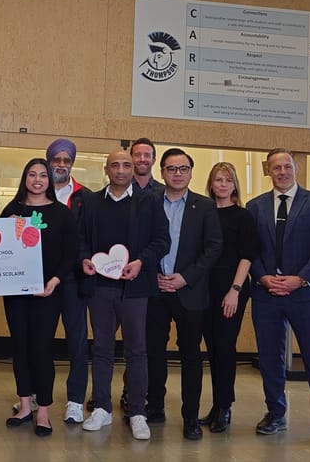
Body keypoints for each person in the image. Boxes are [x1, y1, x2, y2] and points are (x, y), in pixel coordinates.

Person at [246, 148, 310, 452]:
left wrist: (298, 280)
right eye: (276, 168)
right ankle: (276, 413)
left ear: (295, 168)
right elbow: (251, 250)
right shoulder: (255, 206)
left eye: (287, 166)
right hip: (266, 294)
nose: (283, 172)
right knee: (270, 358)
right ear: (268, 171)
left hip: (305, 295)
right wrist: (262, 277)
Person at [79, 150, 170, 440]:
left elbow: (162, 240)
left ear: (135, 170)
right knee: (102, 349)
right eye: (115, 165)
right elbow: (80, 238)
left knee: (137, 351)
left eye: (126, 165)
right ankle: (102, 408)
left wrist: (141, 262)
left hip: (135, 288)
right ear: (106, 169)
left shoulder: (150, 201)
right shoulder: (91, 202)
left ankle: (138, 412)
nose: (120, 169)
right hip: (100, 289)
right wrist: (84, 258)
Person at [145, 148, 222, 440]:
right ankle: (154, 407)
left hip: (189, 292)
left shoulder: (205, 206)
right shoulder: (148, 201)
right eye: (171, 168)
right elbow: (139, 240)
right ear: (162, 172)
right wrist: (152, 273)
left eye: (183, 168)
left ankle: (190, 417)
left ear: (191, 172)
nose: (177, 174)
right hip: (154, 289)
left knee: (191, 356)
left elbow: (213, 247)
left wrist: (184, 278)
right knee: (153, 351)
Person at [1, 158, 77, 437]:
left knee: (42, 349)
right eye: (31, 174)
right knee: (19, 347)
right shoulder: (12, 210)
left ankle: (43, 410)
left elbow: (71, 253)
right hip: (15, 292)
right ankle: (24, 406)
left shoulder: (61, 213)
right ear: (24, 178)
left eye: (42, 175)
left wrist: (54, 282)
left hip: (48, 292)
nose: (37, 179)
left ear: (49, 180)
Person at [199, 162, 257, 433]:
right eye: (217, 179)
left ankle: (225, 407)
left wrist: (234, 290)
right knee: (212, 349)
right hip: (204, 286)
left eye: (227, 180)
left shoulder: (242, 216)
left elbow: (247, 255)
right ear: (211, 184)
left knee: (225, 347)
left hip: (230, 286)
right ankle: (217, 404)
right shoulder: (203, 212)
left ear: (235, 185)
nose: (222, 184)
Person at [44, 138, 91, 424]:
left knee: (77, 342)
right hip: (42, 282)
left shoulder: (85, 197)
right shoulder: (36, 192)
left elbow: (88, 238)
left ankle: (75, 400)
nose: (61, 165)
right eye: (56, 160)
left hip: (73, 281)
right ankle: (39, 395)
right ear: (48, 162)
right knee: (40, 342)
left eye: (66, 160)